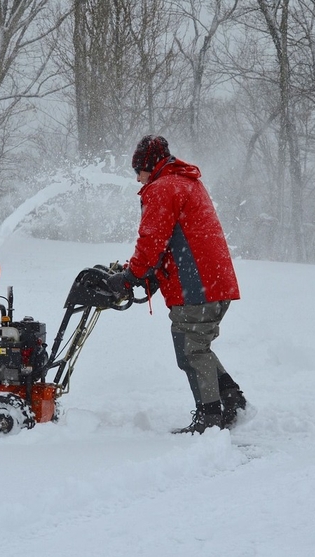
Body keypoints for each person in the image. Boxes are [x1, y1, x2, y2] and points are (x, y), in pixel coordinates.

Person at [107, 135, 247, 434]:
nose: (137, 178)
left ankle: (209, 418)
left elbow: (153, 241)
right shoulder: (187, 182)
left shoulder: (162, 188)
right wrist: (144, 274)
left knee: (190, 351)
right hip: (214, 281)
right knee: (198, 347)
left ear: (149, 166)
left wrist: (131, 276)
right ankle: (232, 399)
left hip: (196, 285)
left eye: (139, 171)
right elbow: (175, 240)